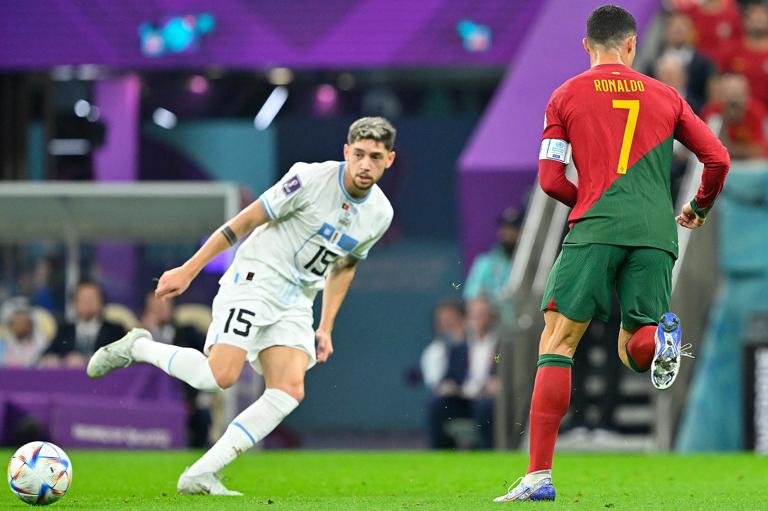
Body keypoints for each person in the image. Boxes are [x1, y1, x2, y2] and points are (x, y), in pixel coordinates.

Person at [494, 5, 730, 502]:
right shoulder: (667, 94)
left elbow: (549, 179)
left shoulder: (564, 95)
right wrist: (697, 209)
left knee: (557, 343)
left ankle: (538, 477)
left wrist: (588, 204)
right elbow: (718, 158)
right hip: (656, 234)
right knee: (633, 349)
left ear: (586, 46)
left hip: (595, 226)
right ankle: (658, 340)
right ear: (631, 45)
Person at [87, 117, 396, 496]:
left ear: (389, 160)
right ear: (346, 152)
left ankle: (200, 473)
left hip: (298, 298)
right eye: (360, 154)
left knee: (289, 389)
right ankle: (137, 346)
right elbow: (245, 220)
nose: (366, 164)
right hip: (257, 278)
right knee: (219, 377)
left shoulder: (380, 214)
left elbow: (345, 265)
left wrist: (326, 326)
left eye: (375, 157)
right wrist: (189, 268)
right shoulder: (309, 179)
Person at [140, 291, 211, 448]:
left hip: (186, 399)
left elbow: (207, 360)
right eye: (154, 306)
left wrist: (192, 400)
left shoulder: (189, 332)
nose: (159, 310)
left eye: (163, 304)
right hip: (149, 399)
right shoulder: (139, 339)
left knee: (203, 416)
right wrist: (150, 333)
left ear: (172, 307)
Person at [40, 281, 125, 368]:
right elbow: (49, 354)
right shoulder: (65, 330)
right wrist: (62, 360)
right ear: (75, 303)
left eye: (92, 298)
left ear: (101, 302)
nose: (87, 302)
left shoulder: (115, 330)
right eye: (83, 298)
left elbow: (124, 356)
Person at [701, 73, 768, 160]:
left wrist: (729, 149)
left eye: (738, 95)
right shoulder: (711, 113)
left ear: (746, 95)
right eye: (729, 95)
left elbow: (759, 149)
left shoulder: (756, 112)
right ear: (721, 95)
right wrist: (724, 122)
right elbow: (705, 147)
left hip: (751, 166)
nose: (734, 100)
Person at [462, 207, 521, 305]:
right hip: (494, 318)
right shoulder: (485, 263)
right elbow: (472, 297)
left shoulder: (533, 263)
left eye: (513, 229)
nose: (508, 233)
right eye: (505, 228)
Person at [719, 4, 768, 109]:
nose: (758, 19)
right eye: (754, 17)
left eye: (762, 16)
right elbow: (719, 82)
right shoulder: (732, 50)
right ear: (745, 21)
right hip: (740, 114)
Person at [0, 299, 50, 367]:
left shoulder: (42, 343)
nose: (22, 326)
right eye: (18, 322)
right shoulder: (2, 345)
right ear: (10, 325)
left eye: (24, 322)